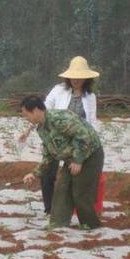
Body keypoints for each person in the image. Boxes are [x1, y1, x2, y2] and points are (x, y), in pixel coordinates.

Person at [19, 56, 99, 214]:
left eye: (79, 78)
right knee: (48, 171)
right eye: (73, 77)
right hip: (55, 137)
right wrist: (28, 129)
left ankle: (74, 209)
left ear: (86, 79)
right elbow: (40, 111)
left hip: (77, 140)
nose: (76, 80)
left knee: (74, 173)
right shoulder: (58, 90)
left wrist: (87, 149)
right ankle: (49, 208)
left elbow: (91, 121)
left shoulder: (90, 97)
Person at [20, 96, 104, 229]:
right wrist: (34, 173)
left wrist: (78, 159)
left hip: (90, 155)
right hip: (72, 159)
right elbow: (49, 155)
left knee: (80, 192)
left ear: (35, 110)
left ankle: (90, 227)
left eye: (26, 114)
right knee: (61, 188)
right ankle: (57, 226)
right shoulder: (42, 129)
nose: (26, 119)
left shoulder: (59, 119)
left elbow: (83, 136)